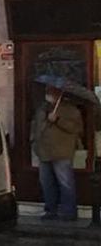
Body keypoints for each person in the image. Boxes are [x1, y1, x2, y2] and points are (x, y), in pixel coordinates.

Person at [32, 85, 83, 221]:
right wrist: (35, 143)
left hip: (61, 152)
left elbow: (76, 128)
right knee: (46, 183)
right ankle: (50, 210)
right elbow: (37, 126)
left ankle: (69, 212)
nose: (48, 94)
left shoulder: (70, 110)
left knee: (65, 183)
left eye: (51, 92)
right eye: (47, 91)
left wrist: (58, 120)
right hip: (44, 152)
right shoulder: (42, 108)